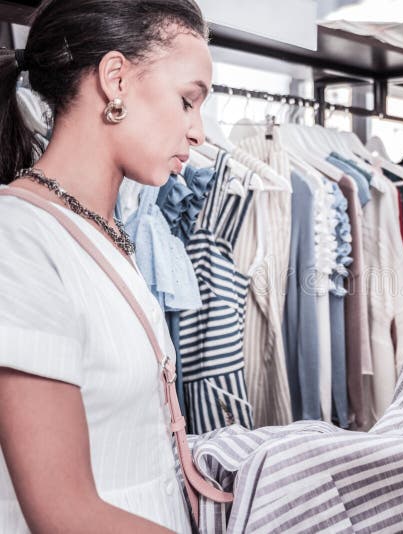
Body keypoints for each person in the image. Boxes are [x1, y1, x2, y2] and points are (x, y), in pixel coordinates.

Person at [0, 1, 211, 532]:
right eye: (187, 101)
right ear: (115, 79)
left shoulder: (104, 232)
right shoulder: (16, 238)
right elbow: (64, 514)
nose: (199, 132)